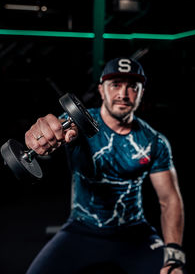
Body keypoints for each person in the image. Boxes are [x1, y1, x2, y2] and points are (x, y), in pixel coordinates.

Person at [25, 57, 186, 274]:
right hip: (81, 229)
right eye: (116, 85)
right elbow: (53, 130)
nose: (123, 93)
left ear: (141, 92)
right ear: (102, 90)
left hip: (135, 233)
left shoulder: (154, 141)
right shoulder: (76, 123)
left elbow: (169, 199)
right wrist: (40, 135)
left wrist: (174, 253)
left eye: (132, 87)